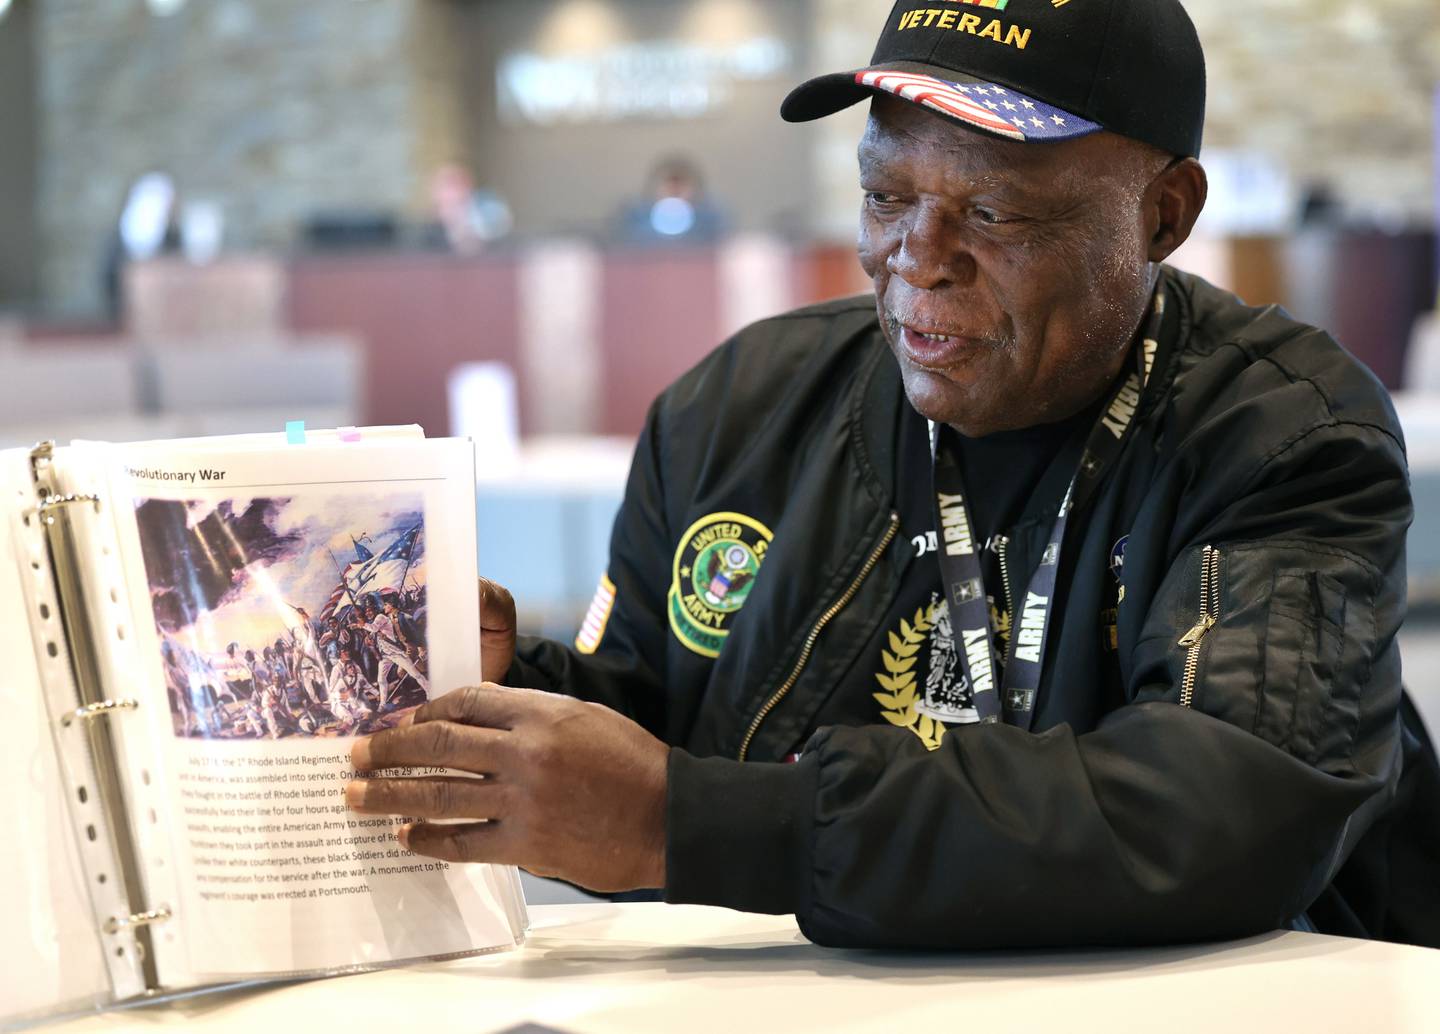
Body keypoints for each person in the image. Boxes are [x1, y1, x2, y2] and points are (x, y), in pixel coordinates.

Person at [347, 0, 1438, 949]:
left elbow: (1226, 806)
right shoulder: (740, 408)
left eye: (993, 212)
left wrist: (692, 822)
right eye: (885, 198)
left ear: (1163, 214)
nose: (918, 254)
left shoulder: (1282, 431)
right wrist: (513, 692)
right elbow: (652, 721)